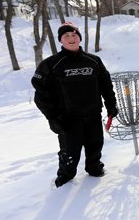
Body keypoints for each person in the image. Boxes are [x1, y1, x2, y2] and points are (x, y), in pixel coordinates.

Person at [31, 22, 118, 188]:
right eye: (66, 36)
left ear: (79, 38)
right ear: (61, 40)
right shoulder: (51, 64)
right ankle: (66, 176)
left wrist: (111, 105)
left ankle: (94, 168)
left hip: (93, 114)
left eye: (74, 35)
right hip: (68, 118)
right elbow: (41, 95)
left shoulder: (93, 61)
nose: (71, 39)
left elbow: (106, 85)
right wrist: (53, 117)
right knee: (70, 151)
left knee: (95, 145)